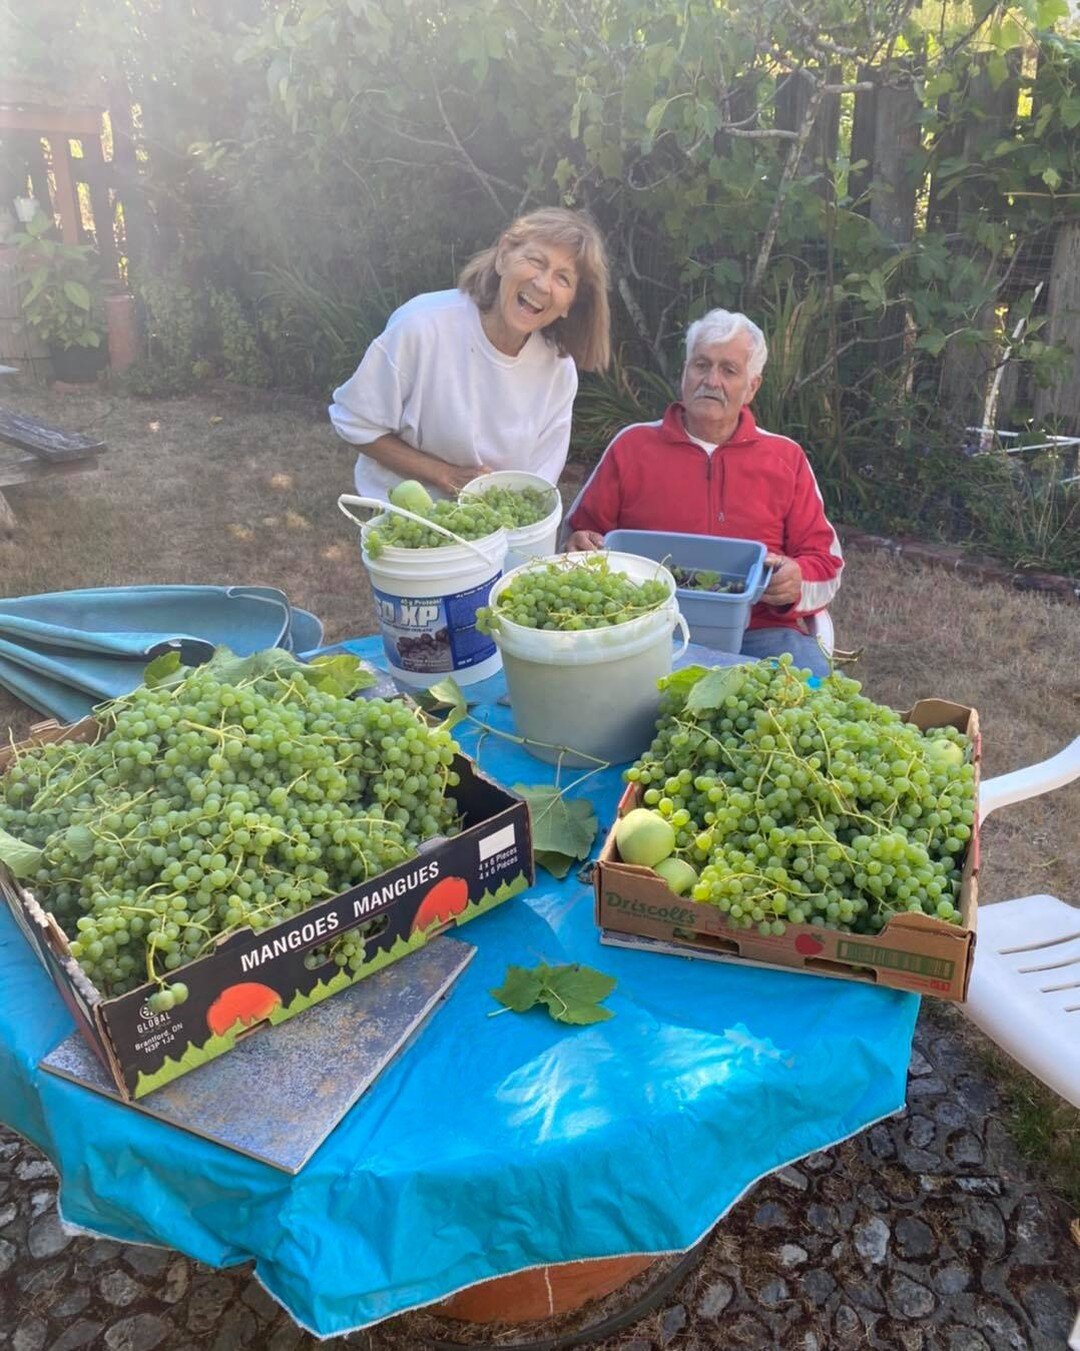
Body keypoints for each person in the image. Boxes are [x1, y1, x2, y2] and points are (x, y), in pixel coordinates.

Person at [565, 308, 843, 677]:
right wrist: (579, 543)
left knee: (816, 704)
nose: (711, 380)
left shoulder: (785, 458)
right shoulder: (632, 446)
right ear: (684, 373)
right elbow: (576, 540)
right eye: (701, 364)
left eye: (729, 370)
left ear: (752, 386)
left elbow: (826, 566)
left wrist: (795, 580)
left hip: (759, 636)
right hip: (644, 630)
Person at [329, 208, 611, 500]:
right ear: (503, 256)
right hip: (404, 525)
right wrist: (443, 474)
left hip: (496, 535)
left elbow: (535, 488)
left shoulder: (558, 371)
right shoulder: (422, 326)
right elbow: (354, 422)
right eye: (535, 261)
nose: (542, 284)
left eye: (563, 278)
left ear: (570, 304)